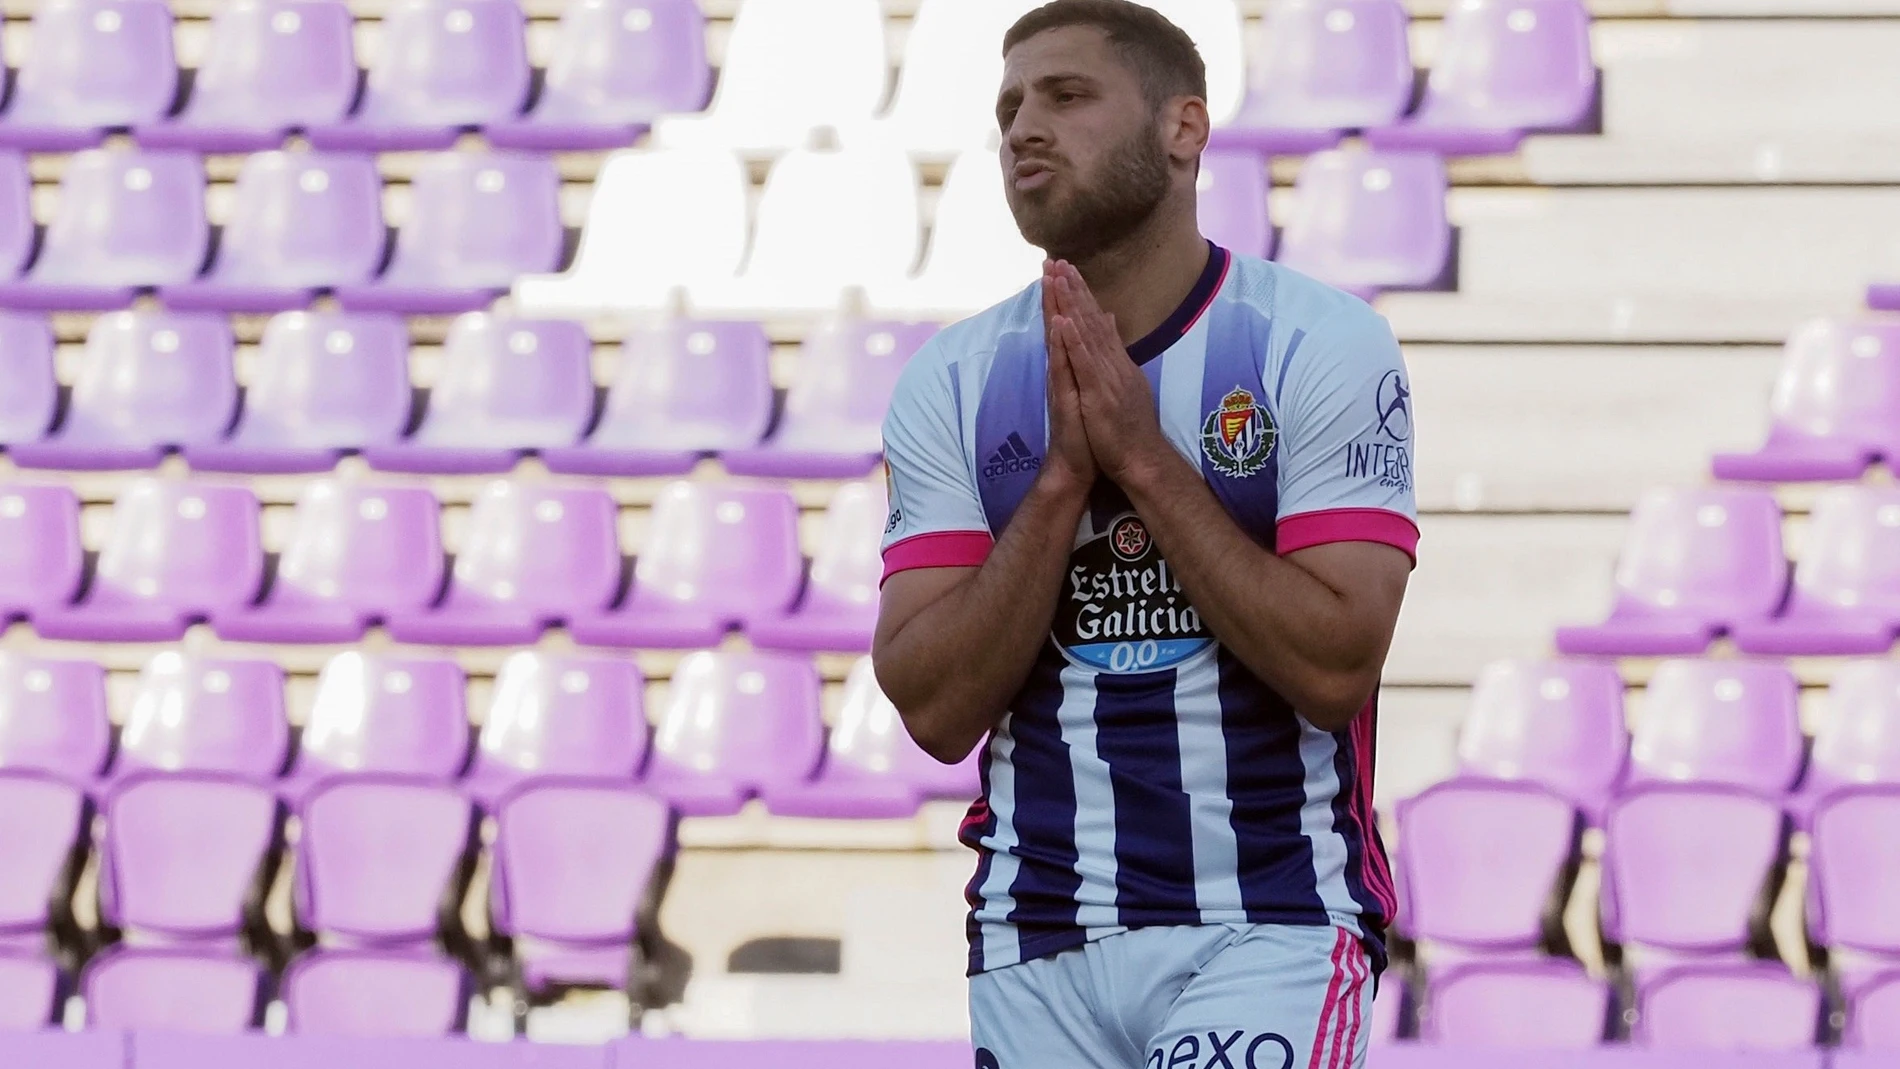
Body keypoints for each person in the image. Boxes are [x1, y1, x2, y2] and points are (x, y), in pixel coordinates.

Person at [871, 1, 1416, 1066]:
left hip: (1268, 924)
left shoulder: (1316, 341)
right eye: (1009, 107)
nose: (1024, 126)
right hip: (1033, 941)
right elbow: (932, 707)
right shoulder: (954, 377)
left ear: (1184, 130)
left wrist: (1143, 458)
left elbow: (1336, 661)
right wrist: (1065, 479)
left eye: (1066, 96)